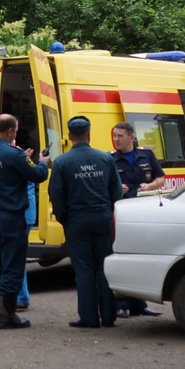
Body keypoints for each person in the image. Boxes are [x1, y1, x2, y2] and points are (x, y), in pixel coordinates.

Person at [0, 113, 49, 329]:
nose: (15, 134)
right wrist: (42, 163)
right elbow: (37, 175)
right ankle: (7, 315)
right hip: (11, 216)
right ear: (10, 131)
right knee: (13, 266)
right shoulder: (14, 155)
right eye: (15, 131)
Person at [48, 116, 121, 328]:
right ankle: (109, 316)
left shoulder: (62, 162)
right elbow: (116, 192)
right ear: (89, 134)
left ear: (70, 136)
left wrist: (64, 219)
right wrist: (109, 213)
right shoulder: (105, 159)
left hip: (76, 220)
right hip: (102, 218)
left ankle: (89, 318)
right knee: (104, 266)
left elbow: (56, 195)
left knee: (83, 270)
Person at [110, 121, 163, 317]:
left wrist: (149, 187)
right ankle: (121, 304)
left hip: (143, 214)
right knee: (122, 258)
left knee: (142, 258)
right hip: (121, 215)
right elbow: (104, 185)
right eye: (115, 135)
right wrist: (116, 188)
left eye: (120, 136)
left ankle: (140, 304)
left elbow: (160, 178)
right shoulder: (110, 159)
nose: (116, 139)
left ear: (131, 137)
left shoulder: (146, 155)